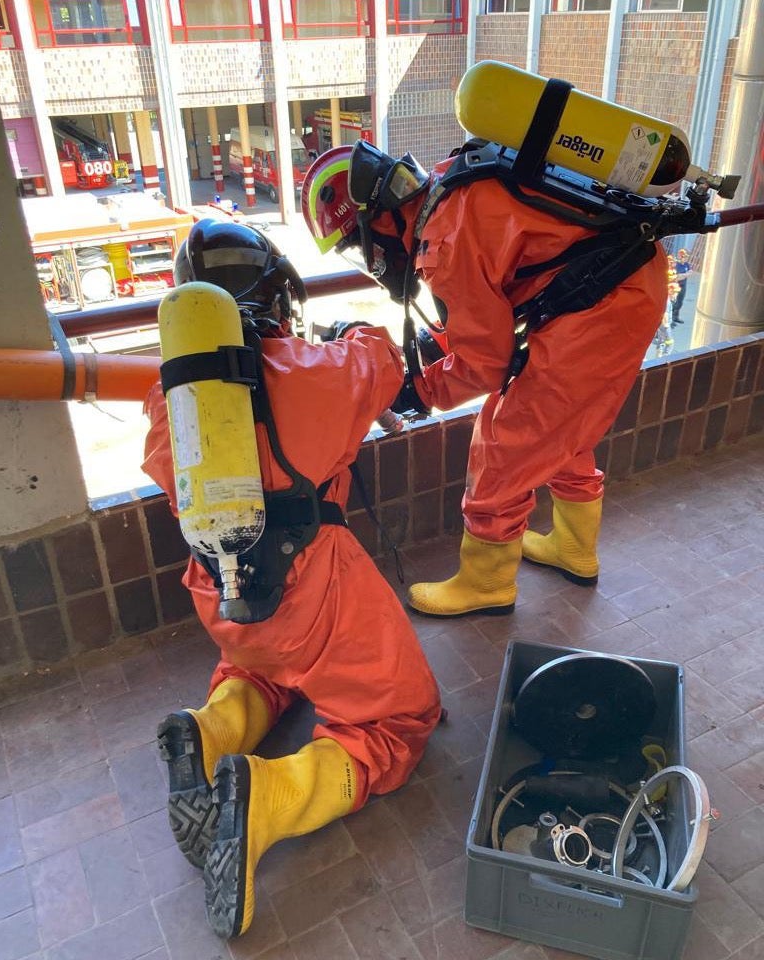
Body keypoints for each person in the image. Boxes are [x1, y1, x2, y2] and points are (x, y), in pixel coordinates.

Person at [142, 218, 441, 939]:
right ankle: (273, 796)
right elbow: (383, 361)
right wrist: (342, 329)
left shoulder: (168, 401)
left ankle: (212, 733)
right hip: (315, 597)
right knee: (399, 723)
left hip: (224, 599)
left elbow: (168, 476)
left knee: (265, 671)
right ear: (277, 299)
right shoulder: (317, 372)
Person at [302, 141, 667, 617]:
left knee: (505, 440)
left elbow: (485, 364)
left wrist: (419, 390)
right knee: (559, 428)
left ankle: (486, 583)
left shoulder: (443, 243)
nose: (370, 262)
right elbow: (486, 315)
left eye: (359, 245)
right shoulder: (447, 192)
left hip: (603, 308)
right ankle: (573, 548)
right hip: (618, 288)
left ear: (382, 221)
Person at [670, 247, 694, 325]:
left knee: (680, 302)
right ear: (680, 256)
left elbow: (690, 272)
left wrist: (684, 275)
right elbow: (678, 277)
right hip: (675, 286)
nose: (685, 258)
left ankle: (675, 317)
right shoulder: (676, 264)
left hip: (683, 285)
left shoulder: (686, 264)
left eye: (686, 257)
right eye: (684, 256)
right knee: (673, 302)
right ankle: (671, 319)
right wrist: (685, 275)